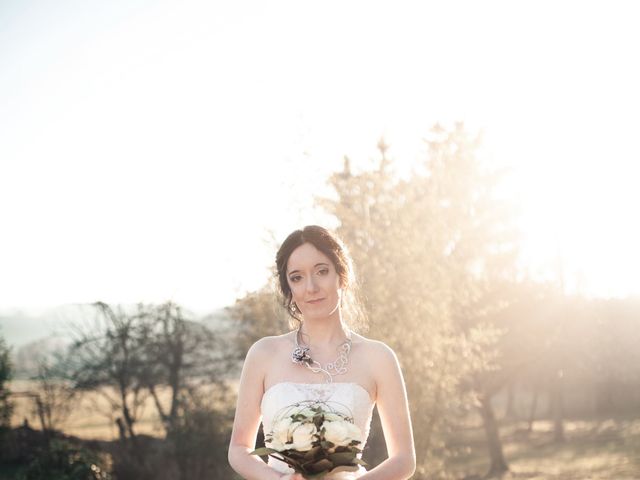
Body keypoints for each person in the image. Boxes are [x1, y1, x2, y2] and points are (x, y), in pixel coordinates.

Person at [228, 225, 415, 479]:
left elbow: (404, 460)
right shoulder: (264, 354)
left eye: (322, 271)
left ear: (342, 275)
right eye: (297, 277)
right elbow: (239, 448)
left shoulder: (378, 358)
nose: (311, 287)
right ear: (289, 288)